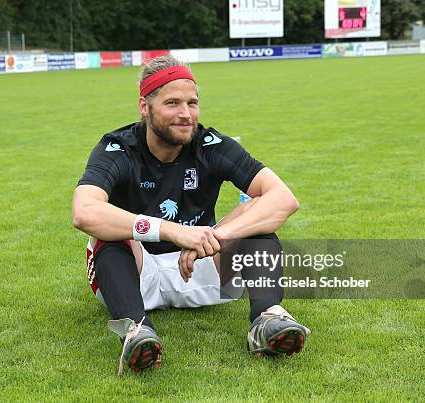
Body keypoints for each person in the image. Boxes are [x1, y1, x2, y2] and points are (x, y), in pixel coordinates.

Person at [72, 55, 310, 375]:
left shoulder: (211, 144)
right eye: (172, 103)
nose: (186, 114)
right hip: (135, 278)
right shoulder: (118, 148)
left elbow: (284, 199)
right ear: (145, 106)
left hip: (202, 270)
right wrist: (172, 231)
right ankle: (136, 329)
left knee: (256, 217)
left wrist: (215, 236)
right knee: (108, 231)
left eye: (192, 103)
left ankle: (267, 318)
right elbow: (84, 211)